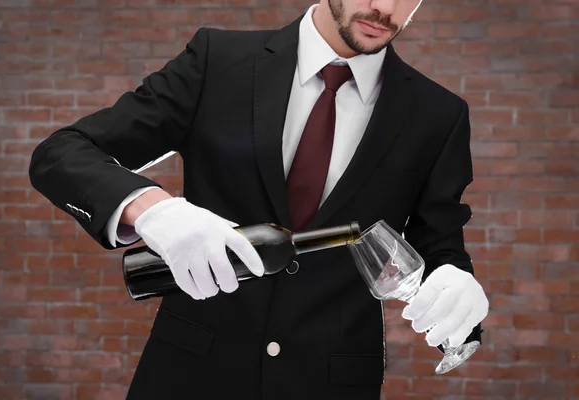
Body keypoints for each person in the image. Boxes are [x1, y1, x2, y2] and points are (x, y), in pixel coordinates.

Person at [28, 0, 489, 399]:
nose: (385, 10)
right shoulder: (218, 60)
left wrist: (460, 286)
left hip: (331, 385)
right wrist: (152, 210)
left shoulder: (438, 114)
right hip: (189, 376)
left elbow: (440, 248)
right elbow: (62, 153)